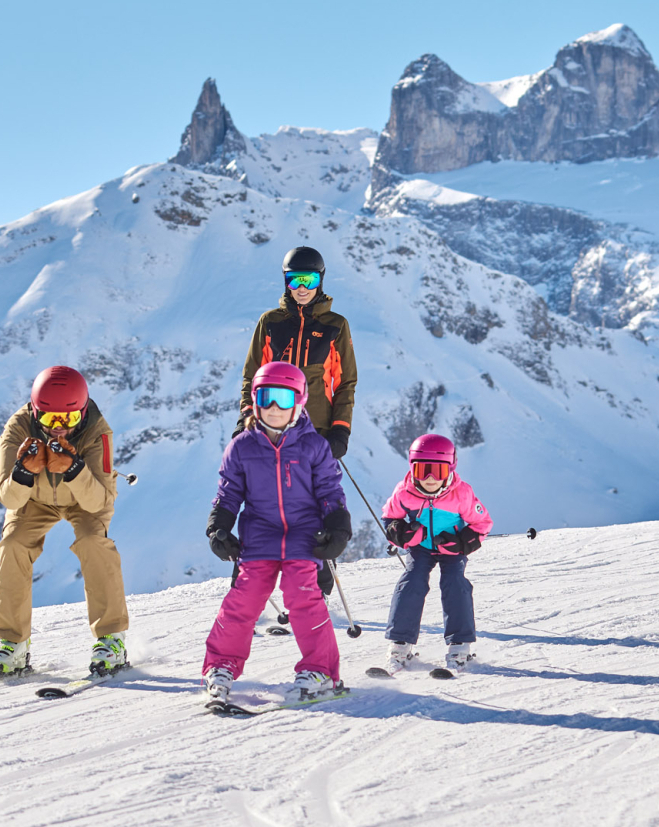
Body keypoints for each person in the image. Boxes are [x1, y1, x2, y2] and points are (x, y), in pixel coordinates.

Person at [201, 361, 353, 702]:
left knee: (302, 595)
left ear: (298, 402)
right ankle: (221, 665)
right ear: (255, 400)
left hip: (304, 532)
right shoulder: (241, 447)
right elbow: (228, 493)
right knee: (244, 597)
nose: (273, 408)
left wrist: (337, 527)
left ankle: (320, 671)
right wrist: (219, 526)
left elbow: (330, 490)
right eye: (266, 397)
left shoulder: (314, 446)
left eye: (283, 400)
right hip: (261, 533)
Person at [0, 365, 129, 678]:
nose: (60, 428)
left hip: (84, 497)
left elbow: (99, 501)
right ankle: (12, 644)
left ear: (82, 412)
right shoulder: (17, 428)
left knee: (94, 542)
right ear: (36, 412)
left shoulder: (97, 431)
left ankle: (111, 638)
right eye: (51, 419)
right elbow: (8, 498)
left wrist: (74, 469)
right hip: (33, 498)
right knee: (13, 545)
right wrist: (24, 473)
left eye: (69, 418)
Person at [235, 245, 360, 596]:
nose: (301, 287)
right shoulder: (271, 323)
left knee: (312, 503)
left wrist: (340, 429)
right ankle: (248, 584)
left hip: (316, 428)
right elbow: (251, 376)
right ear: (285, 281)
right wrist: (247, 415)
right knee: (262, 498)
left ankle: (315, 586)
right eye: (294, 280)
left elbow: (346, 382)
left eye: (309, 279)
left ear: (320, 280)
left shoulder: (335, 326)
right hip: (270, 425)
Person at [379, 433, 492, 673]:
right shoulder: (404, 492)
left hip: (451, 548)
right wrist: (402, 534)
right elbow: (390, 518)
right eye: (422, 471)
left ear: (450, 469)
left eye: (438, 472)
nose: (430, 479)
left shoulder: (461, 493)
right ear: (412, 469)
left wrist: (462, 543)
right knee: (411, 582)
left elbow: (482, 523)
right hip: (421, 547)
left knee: (455, 583)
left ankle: (459, 646)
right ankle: (400, 644)